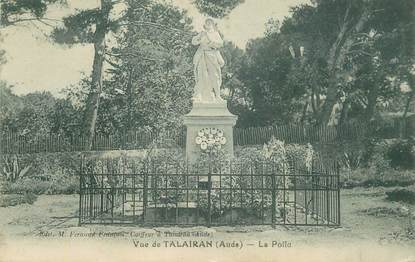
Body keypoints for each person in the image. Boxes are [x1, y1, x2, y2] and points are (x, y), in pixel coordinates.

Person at [192, 18, 225, 103]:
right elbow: (193, 41)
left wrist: (211, 42)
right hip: (202, 55)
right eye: (207, 23)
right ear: (205, 25)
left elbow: (220, 43)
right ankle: (198, 95)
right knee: (201, 75)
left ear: (213, 25)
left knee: (215, 76)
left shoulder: (215, 33)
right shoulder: (202, 33)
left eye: (210, 23)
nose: (208, 24)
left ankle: (218, 96)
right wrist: (199, 40)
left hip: (212, 55)